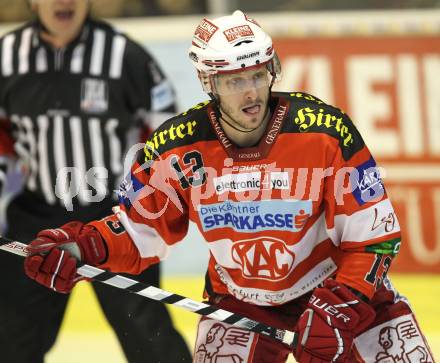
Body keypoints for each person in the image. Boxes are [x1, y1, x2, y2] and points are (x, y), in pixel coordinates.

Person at [21, 10, 435, 363]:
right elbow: (138, 230)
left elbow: (375, 238)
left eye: (258, 74)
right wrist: (78, 249)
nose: (252, 91)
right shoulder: (176, 147)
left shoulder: (325, 132)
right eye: (235, 80)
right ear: (208, 82)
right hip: (242, 299)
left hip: (335, 289)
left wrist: (343, 303)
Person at [0, 0, 191, 362]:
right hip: (36, 215)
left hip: (112, 219)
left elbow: (168, 131)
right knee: (11, 337)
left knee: (148, 335)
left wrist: (143, 202)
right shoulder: (7, 57)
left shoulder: (123, 55)